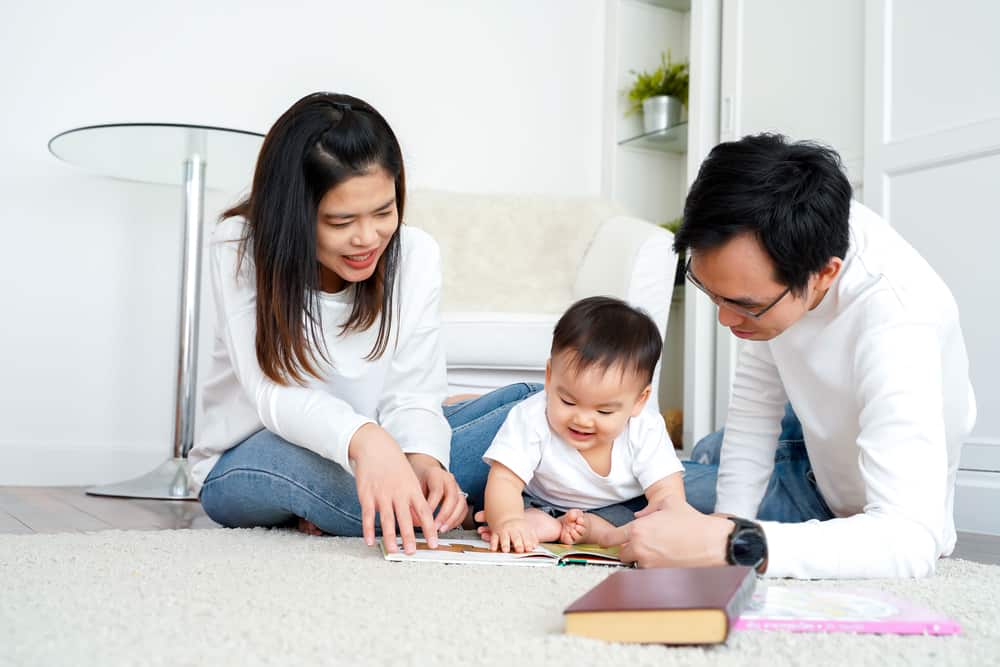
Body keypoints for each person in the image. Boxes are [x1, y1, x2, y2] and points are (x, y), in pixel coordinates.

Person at [601, 133, 976, 579]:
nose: (725, 320)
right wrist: (728, 518)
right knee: (617, 435)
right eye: (711, 293)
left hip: (832, 495)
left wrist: (733, 543)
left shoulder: (898, 319)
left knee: (597, 473)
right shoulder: (782, 235)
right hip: (813, 435)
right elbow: (756, 401)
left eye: (744, 304)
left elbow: (912, 542)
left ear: (825, 275)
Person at [188, 92, 538, 554]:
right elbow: (272, 392)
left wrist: (427, 461)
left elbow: (413, 393)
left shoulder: (416, 255)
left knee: (542, 408)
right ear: (294, 213)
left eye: (383, 212)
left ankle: (429, 494)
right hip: (253, 452)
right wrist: (367, 441)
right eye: (340, 220)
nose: (367, 238)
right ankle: (490, 495)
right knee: (389, 501)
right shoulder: (239, 245)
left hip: (376, 443)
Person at [475, 297, 686, 553]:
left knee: (637, 519)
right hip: (539, 500)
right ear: (550, 376)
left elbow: (666, 491)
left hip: (616, 507)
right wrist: (508, 520)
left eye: (604, 410)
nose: (582, 420)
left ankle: (591, 530)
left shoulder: (646, 427)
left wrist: (671, 524)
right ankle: (544, 524)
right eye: (568, 401)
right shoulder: (531, 417)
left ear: (639, 401)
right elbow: (505, 480)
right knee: (499, 503)